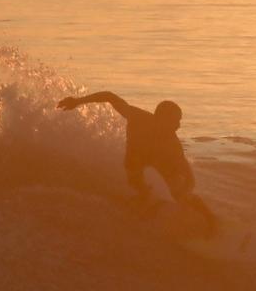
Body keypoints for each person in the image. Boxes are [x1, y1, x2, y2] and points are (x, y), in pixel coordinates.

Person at [57, 91, 217, 233]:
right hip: (135, 162)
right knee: (139, 184)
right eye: (176, 121)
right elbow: (109, 96)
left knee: (181, 191)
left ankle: (210, 220)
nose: (178, 126)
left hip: (158, 165)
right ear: (162, 118)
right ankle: (143, 206)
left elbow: (187, 173)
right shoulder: (137, 116)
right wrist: (78, 101)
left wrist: (185, 190)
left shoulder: (172, 142)